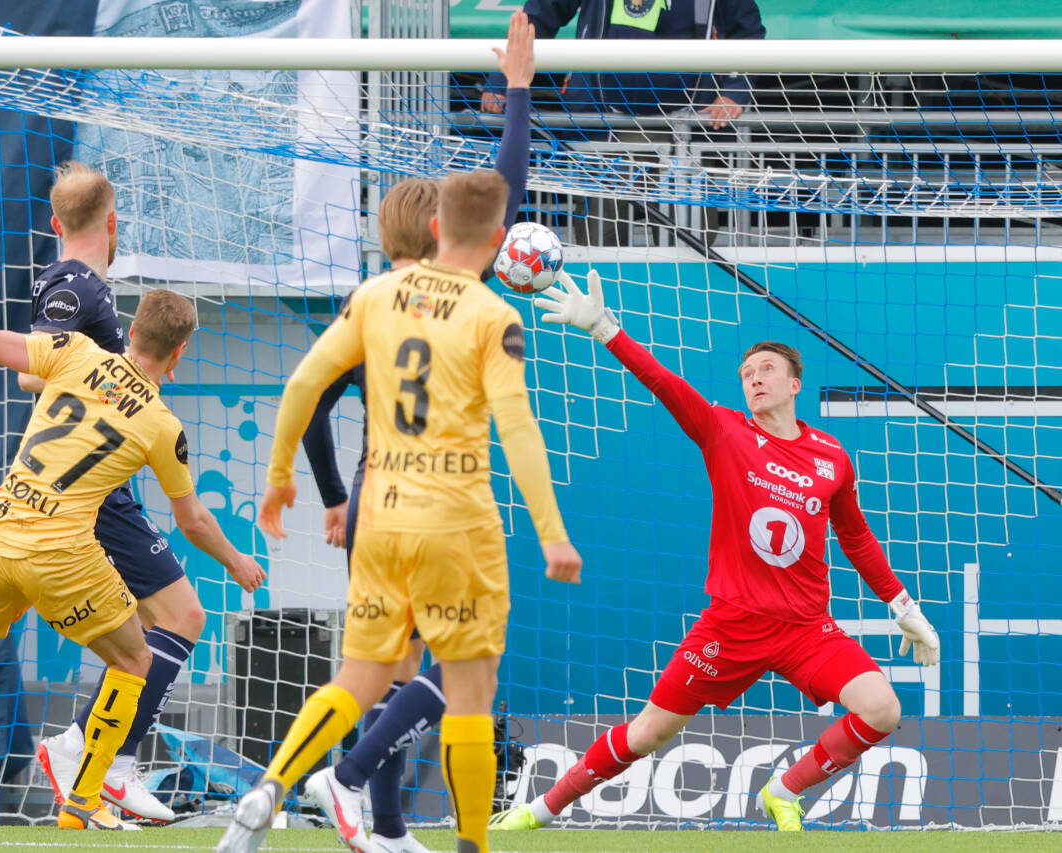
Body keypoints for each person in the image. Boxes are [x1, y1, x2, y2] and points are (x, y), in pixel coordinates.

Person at [489, 270, 940, 832]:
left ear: (795, 383)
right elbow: (666, 384)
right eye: (746, 373)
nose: (754, 379)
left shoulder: (832, 456)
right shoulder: (725, 432)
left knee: (883, 708)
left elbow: (856, 536)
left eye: (767, 370)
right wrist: (606, 329)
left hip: (806, 628)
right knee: (649, 733)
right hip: (732, 625)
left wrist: (903, 607)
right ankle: (538, 810)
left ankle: (784, 790)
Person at [215, 170, 583, 853]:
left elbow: (303, 384)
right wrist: (552, 532)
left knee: (361, 677)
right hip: (455, 521)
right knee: (469, 691)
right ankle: (470, 845)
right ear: (500, 242)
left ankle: (272, 786)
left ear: (437, 230)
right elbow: (519, 426)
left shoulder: (374, 294)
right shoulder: (490, 313)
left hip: (377, 510)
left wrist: (278, 478)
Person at [0, 243, 265, 830]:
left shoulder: (73, 350)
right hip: (61, 554)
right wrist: (235, 563)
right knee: (135, 660)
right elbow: (192, 521)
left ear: (127, 331)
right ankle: (83, 800)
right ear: (179, 354)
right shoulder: (161, 426)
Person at [299, 13, 534, 853]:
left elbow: (315, 405)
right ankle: (352, 776)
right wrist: (517, 91)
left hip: (372, 493)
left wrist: (331, 497)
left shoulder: (364, 305)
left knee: (391, 671)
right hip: (435, 502)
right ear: (440, 231)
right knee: (445, 674)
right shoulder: (457, 292)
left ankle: (387, 826)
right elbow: (506, 181)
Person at [17, 161, 238, 824]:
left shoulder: (93, 291)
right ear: (112, 224)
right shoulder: (71, 287)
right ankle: (101, 758)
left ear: (58, 223)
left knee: (150, 631)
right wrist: (111, 379)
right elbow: (35, 374)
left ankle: (87, 750)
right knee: (185, 616)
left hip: (104, 483)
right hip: (91, 491)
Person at [480, 0, 765, 128]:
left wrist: (734, 92)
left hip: (689, 130)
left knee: (693, 240)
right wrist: (502, 81)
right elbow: (537, 18)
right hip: (599, 125)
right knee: (595, 239)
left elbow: (748, 34)